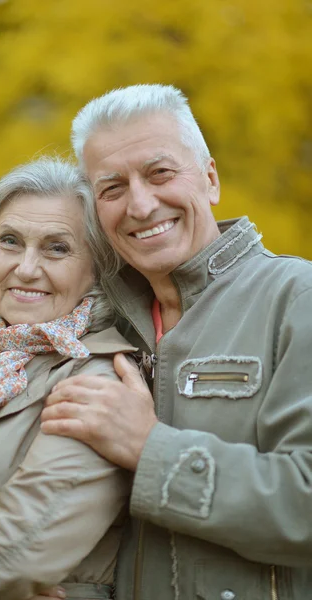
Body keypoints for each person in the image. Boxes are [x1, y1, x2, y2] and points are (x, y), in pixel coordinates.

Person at [40, 84, 312, 599]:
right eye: (112, 188)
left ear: (210, 179)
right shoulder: (91, 328)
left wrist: (151, 450)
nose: (141, 204)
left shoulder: (297, 298)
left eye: (160, 173)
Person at [0, 157, 139, 600]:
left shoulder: (100, 381)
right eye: (10, 242)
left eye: (57, 248)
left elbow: (17, 548)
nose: (27, 268)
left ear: (98, 268)